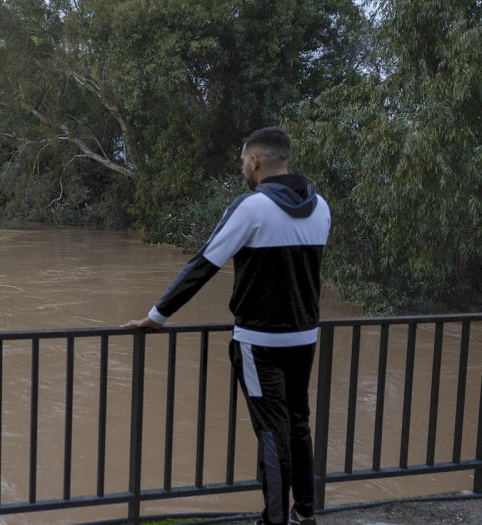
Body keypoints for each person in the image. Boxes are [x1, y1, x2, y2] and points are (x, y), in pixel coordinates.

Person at [122, 127, 330, 525]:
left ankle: (274, 519)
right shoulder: (321, 206)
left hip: (259, 341)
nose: (243, 170)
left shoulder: (250, 207)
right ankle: (305, 512)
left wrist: (156, 316)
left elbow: (203, 265)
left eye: (242, 163)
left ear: (255, 160)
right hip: (305, 336)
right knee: (298, 422)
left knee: (272, 430)